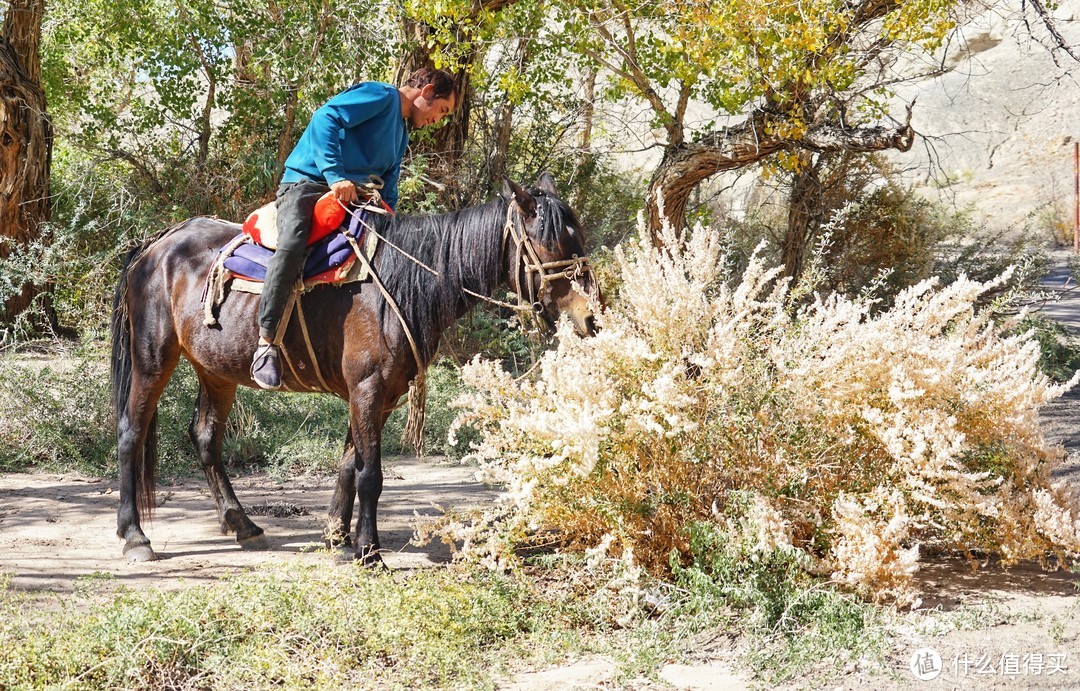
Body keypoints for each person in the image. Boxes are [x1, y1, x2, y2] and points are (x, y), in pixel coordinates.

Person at [251, 67, 458, 390]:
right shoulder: (381, 96)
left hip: (355, 199)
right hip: (307, 184)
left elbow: (388, 190)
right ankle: (266, 342)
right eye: (442, 110)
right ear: (427, 92)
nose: (439, 119)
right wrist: (335, 177)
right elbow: (325, 118)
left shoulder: (401, 135)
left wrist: (392, 225)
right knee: (293, 245)